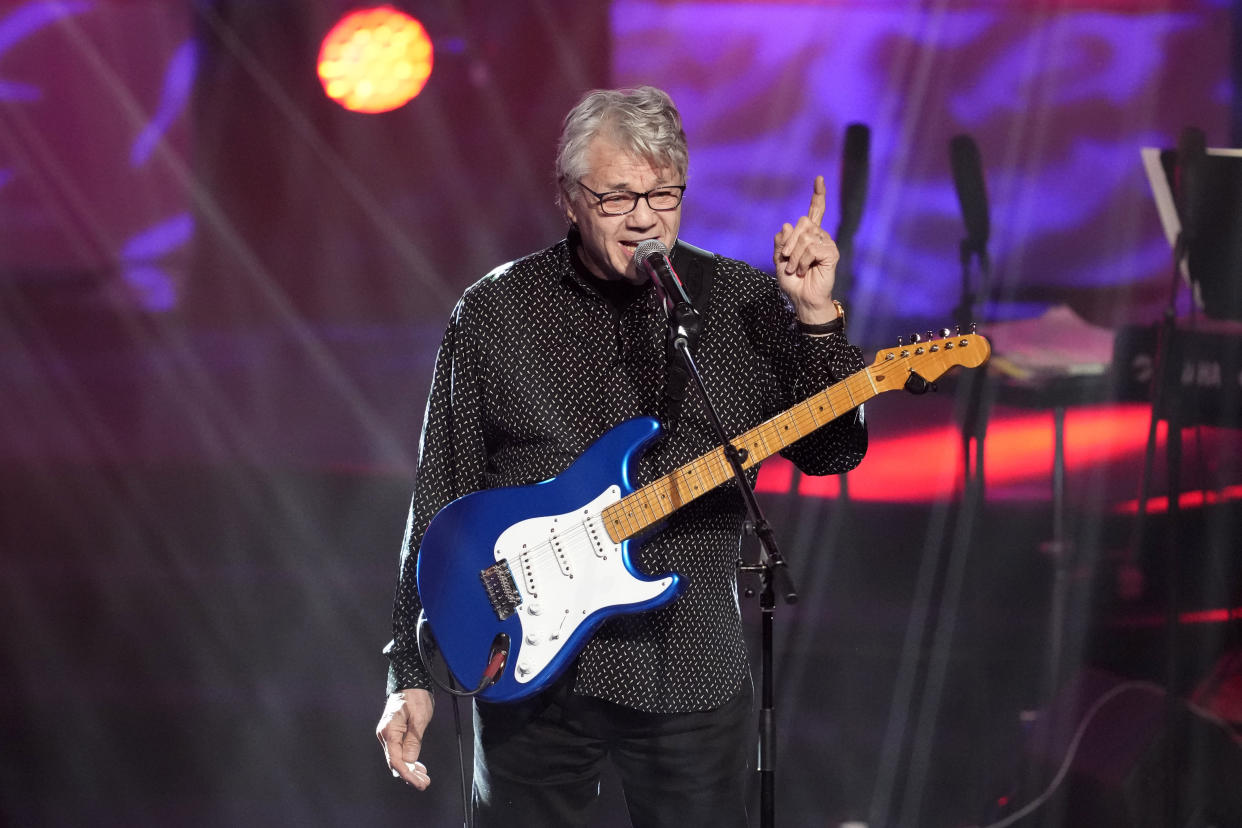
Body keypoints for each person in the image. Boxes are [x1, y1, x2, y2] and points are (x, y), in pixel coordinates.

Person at [376, 85, 867, 827]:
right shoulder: (494, 311)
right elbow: (440, 491)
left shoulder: (737, 301)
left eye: (664, 195)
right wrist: (411, 669)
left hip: (685, 664)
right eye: (617, 198)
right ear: (569, 197)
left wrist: (816, 320)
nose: (644, 218)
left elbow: (833, 451)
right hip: (526, 669)